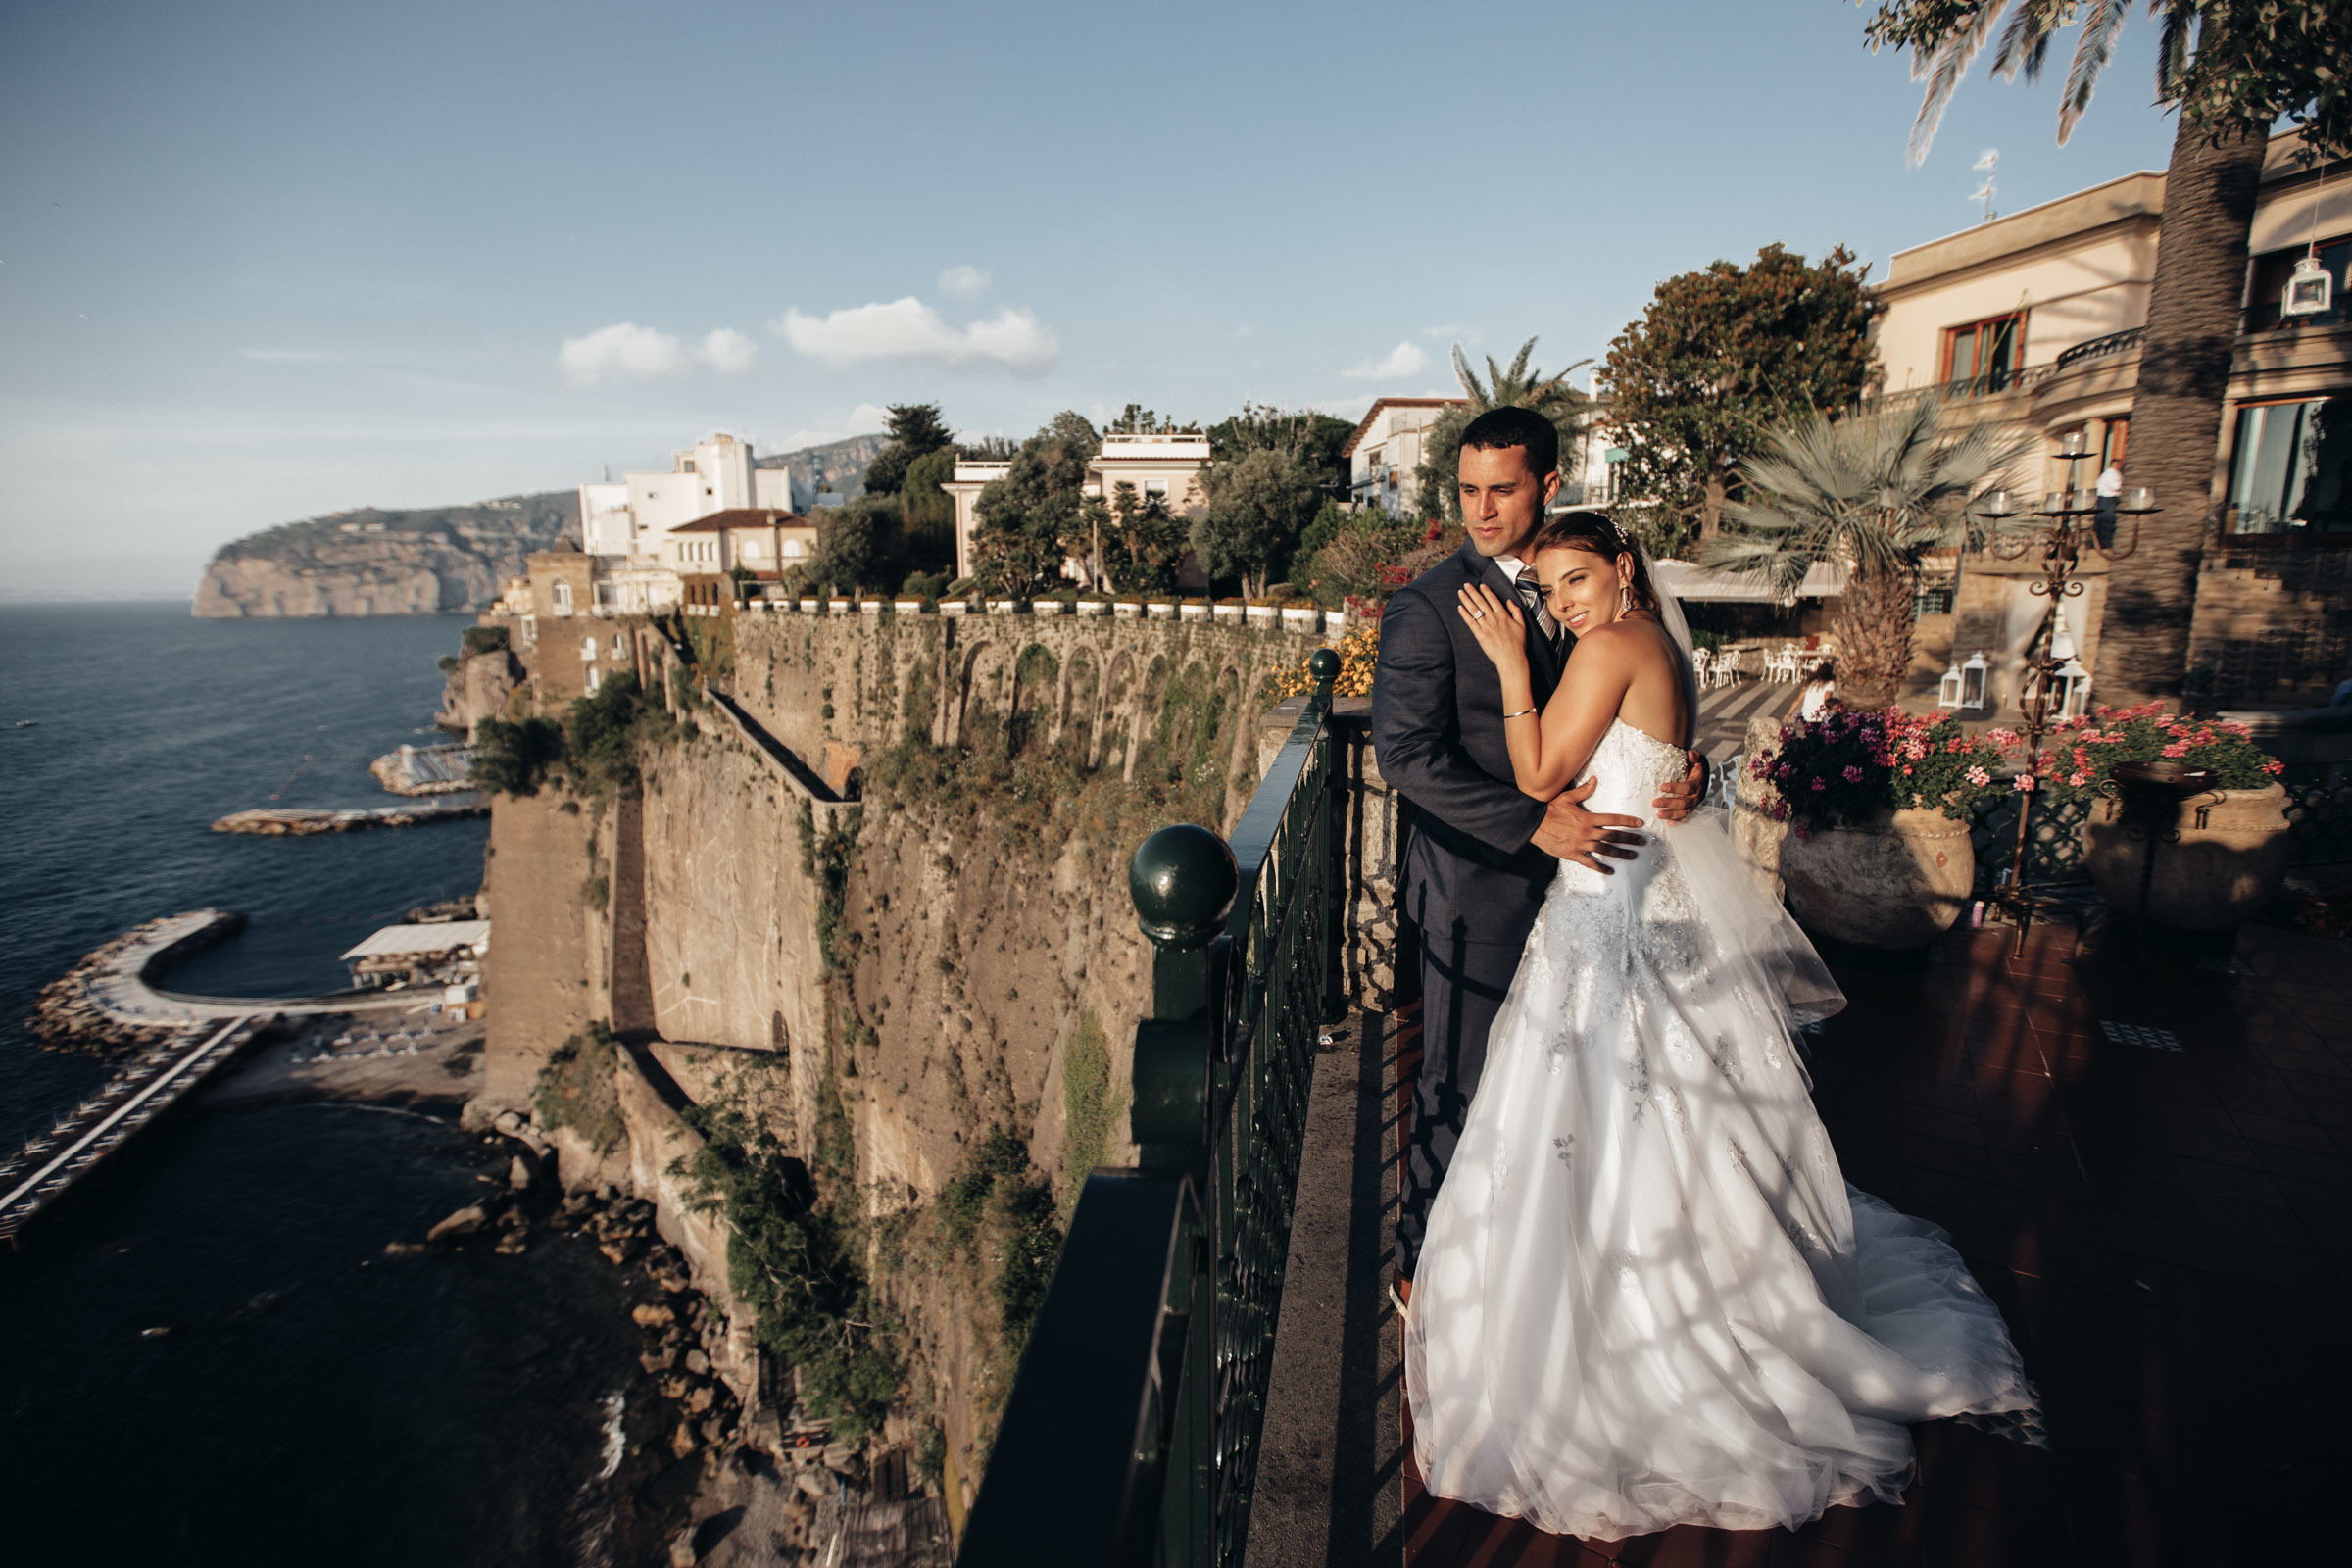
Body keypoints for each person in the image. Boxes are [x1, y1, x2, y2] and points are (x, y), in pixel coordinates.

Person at [1403, 509, 2031, 1542]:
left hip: (1613, 907)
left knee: (1610, 1105)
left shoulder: (1610, 643)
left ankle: (1627, 1329)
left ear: (1622, 567)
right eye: (1548, 591)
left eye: (1575, 579)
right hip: (1641, 893)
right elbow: (1664, 764)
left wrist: (1513, 665)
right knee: (1652, 1109)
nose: (1561, 604)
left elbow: (1538, 777)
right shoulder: (1654, 643)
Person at [1372, 408, 1705, 1307]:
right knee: (1461, 1081)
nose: (1480, 510)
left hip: (1599, 893)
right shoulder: (1428, 606)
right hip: (1477, 888)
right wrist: (1531, 825)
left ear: (1549, 484)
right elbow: (1406, 756)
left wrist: (1688, 769)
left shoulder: (1585, 584)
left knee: (1575, 1084)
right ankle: (1422, 1273)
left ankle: (1549, 1265)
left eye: (1503, 489)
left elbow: (1635, 710)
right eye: (1467, 490)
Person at [2094, 461, 2123, 550]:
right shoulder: (2113, 474)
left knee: (2101, 520)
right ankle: (2105, 543)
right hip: (2109, 499)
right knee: (2108, 520)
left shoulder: (2105, 474)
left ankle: (2098, 542)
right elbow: (2116, 486)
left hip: (2102, 499)